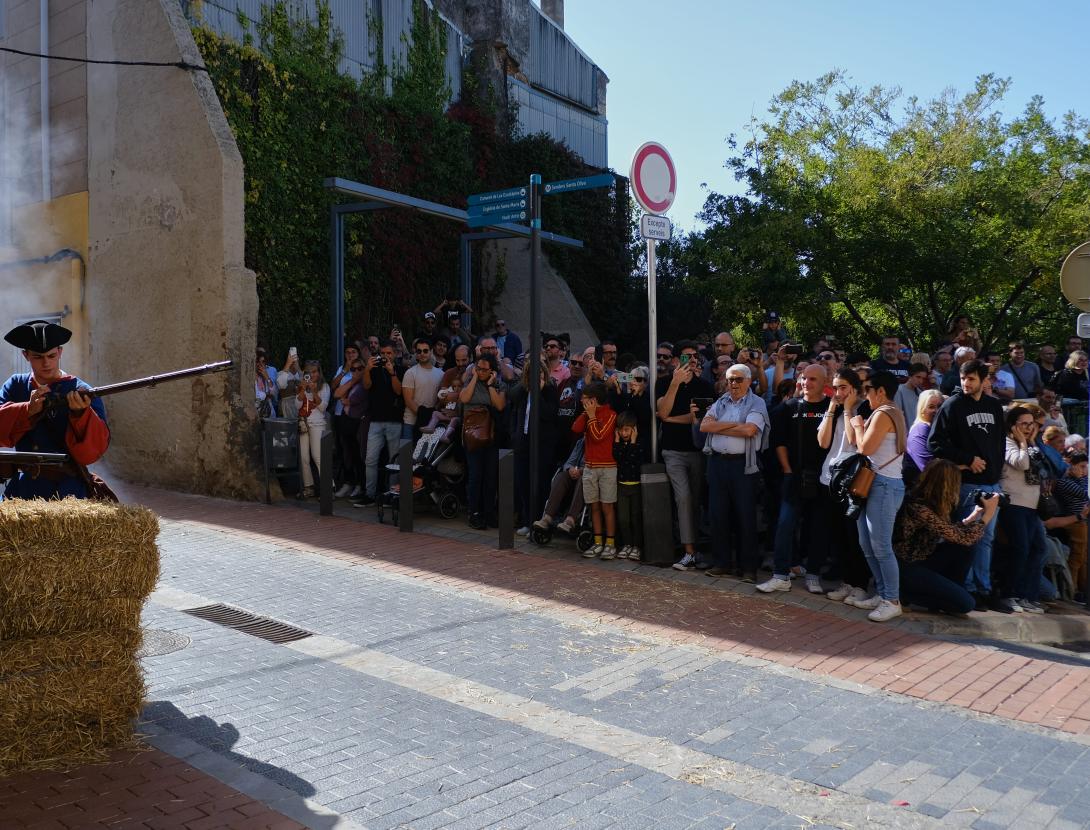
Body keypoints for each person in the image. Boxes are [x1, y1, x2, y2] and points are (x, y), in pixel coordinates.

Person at [928, 359, 1013, 612]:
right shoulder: (952, 405)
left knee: (986, 539)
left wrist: (996, 472)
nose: (966, 383)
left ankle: (983, 590)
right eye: (964, 378)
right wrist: (967, 459)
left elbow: (999, 443)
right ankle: (965, 589)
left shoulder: (994, 406)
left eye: (972, 379)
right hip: (965, 484)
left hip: (991, 483)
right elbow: (935, 443)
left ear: (984, 380)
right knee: (966, 537)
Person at [0, 321, 110, 499]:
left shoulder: (81, 390)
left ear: (60, 352)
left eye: (51, 356)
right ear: (26, 355)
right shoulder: (16, 385)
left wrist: (81, 414)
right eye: (38, 357)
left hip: (67, 490)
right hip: (23, 489)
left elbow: (94, 451)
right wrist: (27, 409)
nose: (46, 363)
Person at [757, 364, 831, 594]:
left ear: (824, 384)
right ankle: (780, 574)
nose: (807, 383)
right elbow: (778, 442)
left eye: (813, 379)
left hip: (822, 478)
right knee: (785, 524)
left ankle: (813, 574)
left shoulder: (832, 408)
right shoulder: (787, 407)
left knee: (819, 527)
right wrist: (788, 470)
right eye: (804, 378)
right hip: (794, 477)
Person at [894, 459, 999, 615]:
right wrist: (988, 515)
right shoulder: (919, 507)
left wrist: (973, 516)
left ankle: (950, 591)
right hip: (906, 569)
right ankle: (906, 595)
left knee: (965, 548)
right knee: (966, 605)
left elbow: (953, 533)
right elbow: (964, 537)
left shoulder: (931, 503)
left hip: (923, 561)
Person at [845, 371, 907, 622]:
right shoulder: (888, 411)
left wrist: (859, 426)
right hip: (876, 484)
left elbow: (864, 448)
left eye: (868, 389)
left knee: (880, 546)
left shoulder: (884, 413)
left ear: (881, 391)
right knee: (867, 544)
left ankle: (892, 600)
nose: (865, 394)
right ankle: (882, 594)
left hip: (884, 485)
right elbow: (857, 444)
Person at [700, 364, 769, 581]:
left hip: (743, 466)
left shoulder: (757, 402)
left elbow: (750, 430)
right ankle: (722, 563)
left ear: (749, 381)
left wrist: (719, 425)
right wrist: (734, 425)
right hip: (718, 463)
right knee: (717, 514)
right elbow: (704, 426)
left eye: (738, 379)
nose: (734, 384)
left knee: (745, 516)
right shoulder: (721, 401)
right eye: (730, 379)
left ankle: (748, 568)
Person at [656, 341, 715, 570]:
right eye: (685, 357)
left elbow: (699, 420)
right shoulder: (663, 383)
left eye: (694, 356)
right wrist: (674, 384)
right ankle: (689, 551)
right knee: (683, 497)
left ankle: (697, 548)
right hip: (673, 451)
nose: (690, 360)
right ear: (675, 361)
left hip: (698, 451)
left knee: (697, 499)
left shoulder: (705, 386)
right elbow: (663, 412)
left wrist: (672, 419)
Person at [818, 369, 873, 603]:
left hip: (853, 481)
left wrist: (849, 408)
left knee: (854, 537)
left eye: (843, 388)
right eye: (835, 388)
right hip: (830, 478)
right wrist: (832, 409)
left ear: (854, 388)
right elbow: (823, 442)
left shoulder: (864, 409)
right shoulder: (835, 408)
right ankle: (845, 582)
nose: (838, 393)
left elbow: (853, 441)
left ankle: (859, 584)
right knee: (837, 536)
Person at [998, 406, 1049, 613]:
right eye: (1024, 424)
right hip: (1014, 503)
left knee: (1038, 549)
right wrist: (1022, 442)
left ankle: (1027, 595)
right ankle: (1008, 594)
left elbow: (1046, 466)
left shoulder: (1031, 443)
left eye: (1031, 424)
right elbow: (1022, 463)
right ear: (1013, 425)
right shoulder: (1008, 442)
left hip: (1032, 505)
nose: (1029, 428)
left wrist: (1033, 441)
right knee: (1020, 549)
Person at [509, 361, 559, 534]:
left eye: (539, 374)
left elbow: (548, 414)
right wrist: (514, 436)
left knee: (540, 484)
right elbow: (513, 406)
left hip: (543, 445)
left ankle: (538, 521)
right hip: (523, 442)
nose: (536, 377)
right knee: (523, 483)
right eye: (532, 374)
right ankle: (527, 520)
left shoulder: (550, 391)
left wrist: (538, 394)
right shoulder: (523, 392)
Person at [354, 340, 404, 508]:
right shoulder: (373, 369)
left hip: (394, 421)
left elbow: (399, 391)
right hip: (375, 421)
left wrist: (392, 373)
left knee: (393, 460)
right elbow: (367, 386)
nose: (385, 356)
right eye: (383, 353)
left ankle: (392, 495)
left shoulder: (401, 369)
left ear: (395, 354)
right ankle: (369, 495)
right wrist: (367, 369)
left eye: (389, 353)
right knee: (370, 459)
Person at [572, 382, 618, 558]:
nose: (582, 400)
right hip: (590, 466)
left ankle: (610, 543)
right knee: (594, 506)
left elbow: (599, 436)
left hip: (607, 467)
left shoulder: (610, 414)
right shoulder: (588, 413)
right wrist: (587, 414)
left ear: (594, 399)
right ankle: (598, 542)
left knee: (607, 506)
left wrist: (591, 416)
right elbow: (575, 428)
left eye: (585, 398)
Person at [460, 353, 506, 529]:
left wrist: (490, 385)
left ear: (492, 371)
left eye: (484, 369)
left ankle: (488, 512)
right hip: (472, 435)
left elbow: (499, 405)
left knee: (490, 476)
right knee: (475, 475)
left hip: (491, 435)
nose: (480, 371)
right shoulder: (470, 381)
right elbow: (464, 398)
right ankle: (474, 512)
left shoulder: (498, 384)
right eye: (478, 368)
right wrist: (473, 378)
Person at [332, 350, 368, 499]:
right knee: (346, 453)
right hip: (346, 421)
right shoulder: (352, 382)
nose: (357, 371)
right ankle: (349, 482)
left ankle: (360, 484)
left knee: (358, 455)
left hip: (360, 423)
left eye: (360, 368)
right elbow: (337, 394)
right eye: (353, 369)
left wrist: (349, 401)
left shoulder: (366, 384)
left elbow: (361, 402)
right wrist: (352, 380)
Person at [533, 438, 587, 536]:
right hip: (575, 475)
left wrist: (581, 471)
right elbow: (569, 461)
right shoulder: (581, 442)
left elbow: (595, 466)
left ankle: (570, 520)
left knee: (584, 478)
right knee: (561, 476)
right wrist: (570, 469)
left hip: (588, 476)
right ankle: (547, 517)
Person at [1054, 452, 1089, 600]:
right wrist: (1082, 477)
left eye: (1085, 467)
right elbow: (1085, 494)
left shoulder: (1074, 480)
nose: (1084, 470)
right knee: (1076, 558)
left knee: (1083, 558)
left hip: (1082, 521)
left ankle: (1081, 589)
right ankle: (1071, 590)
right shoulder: (1065, 482)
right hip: (1075, 522)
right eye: (1081, 467)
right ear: (1072, 465)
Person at [294, 360, 330, 499]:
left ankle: (328, 489)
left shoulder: (324, 386)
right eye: (309, 372)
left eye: (315, 371)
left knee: (318, 457)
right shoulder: (301, 384)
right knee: (304, 458)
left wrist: (314, 392)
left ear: (319, 372)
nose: (312, 374)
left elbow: (323, 408)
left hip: (317, 423)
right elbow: (296, 406)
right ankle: (309, 488)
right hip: (303, 424)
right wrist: (302, 390)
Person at [613, 411, 645, 561]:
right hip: (622, 486)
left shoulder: (639, 444)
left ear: (634, 430)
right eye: (621, 429)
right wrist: (618, 441)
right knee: (623, 518)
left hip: (636, 486)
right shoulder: (617, 445)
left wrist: (632, 442)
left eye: (627, 429)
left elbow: (634, 459)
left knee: (635, 518)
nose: (623, 432)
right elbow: (620, 458)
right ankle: (627, 544)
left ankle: (636, 546)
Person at [401, 338, 444, 440]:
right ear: (416, 353)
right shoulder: (410, 373)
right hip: (411, 423)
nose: (422, 354)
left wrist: (432, 415)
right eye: (419, 351)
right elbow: (408, 401)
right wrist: (425, 414)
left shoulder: (441, 374)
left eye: (425, 351)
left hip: (432, 423)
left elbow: (441, 399)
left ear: (431, 351)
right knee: (408, 455)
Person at [903, 389, 943, 488]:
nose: (936, 411)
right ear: (922, 409)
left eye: (940, 407)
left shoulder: (935, 429)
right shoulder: (921, 429)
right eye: (931, 407)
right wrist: (960, 467)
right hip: (920, 491)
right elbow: (928, 467)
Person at [255, 348, 278, 417]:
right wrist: (266, 395)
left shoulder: (264, 378)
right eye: (258, 362)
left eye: (263, 362)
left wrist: (267, 377)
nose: (261, 365)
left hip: (269, 413)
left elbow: (274, 393)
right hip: (257, 415)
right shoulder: (251, 379)